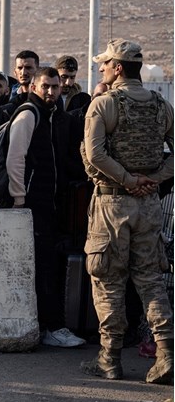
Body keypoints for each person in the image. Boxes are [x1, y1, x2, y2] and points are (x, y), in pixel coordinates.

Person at [80, 38, 174, 384]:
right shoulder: (162, 106)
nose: (101, 68)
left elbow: (95, 155)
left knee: (108, 279)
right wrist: (152, 178)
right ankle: (166, 355)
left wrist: (128, 179)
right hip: (148, 205)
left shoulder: (104, 104)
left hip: (112, 203)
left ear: (118, 68)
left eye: (104, 63)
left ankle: (109, 358)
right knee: (151, 279)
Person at [6, 67, 86, 348]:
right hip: (32, 203)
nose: (51, 91)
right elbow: (16, 157)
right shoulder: (30, 114)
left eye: (55, 86)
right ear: (33, 87)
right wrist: (19, 197)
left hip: (51, 203)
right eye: (46, 86)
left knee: (49, 265)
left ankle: (48, 326)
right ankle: (51, 327)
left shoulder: (56, 118)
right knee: (43, 267)